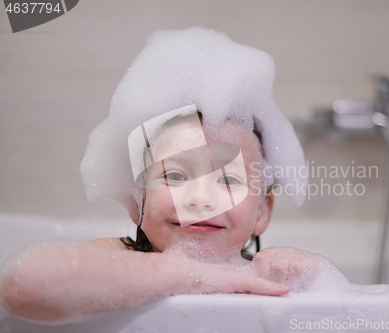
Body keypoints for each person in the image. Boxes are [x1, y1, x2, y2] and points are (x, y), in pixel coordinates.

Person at [0, 28, 339, 324]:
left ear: (262, 213)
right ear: (137, 203)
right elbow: (23, 286)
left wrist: (307, 273)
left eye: (227, 180)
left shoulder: (262, 273)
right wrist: (189, 274)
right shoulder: (118, 260)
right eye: (175, 176)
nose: (200, 199)